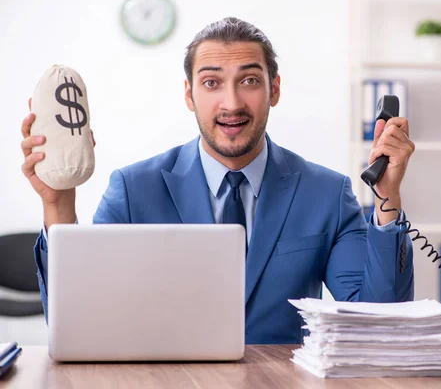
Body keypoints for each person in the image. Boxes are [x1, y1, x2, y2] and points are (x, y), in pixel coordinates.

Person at [20, 17, 416, 345]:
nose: (232, 103)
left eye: (249, 81)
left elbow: (379, 323)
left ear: (273, 89)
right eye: (211, 83)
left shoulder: (326, 193)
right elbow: (80, 322)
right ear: (190, 95)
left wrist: (388, 197)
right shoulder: (132, 189)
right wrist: (58, 205)